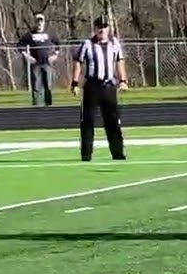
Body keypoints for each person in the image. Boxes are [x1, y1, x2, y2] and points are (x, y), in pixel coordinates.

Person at [71, 16, 127, 162]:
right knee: (88, 121)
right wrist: (75, 83)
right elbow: (78, 62)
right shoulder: (87, 44)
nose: (102, 30)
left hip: (108, 85)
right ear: (95, 28)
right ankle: (86, 154)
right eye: (99, 27)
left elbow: (119, 62)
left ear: (108, 28)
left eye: (104, 27)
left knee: (113, 120)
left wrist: (123, 80)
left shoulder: (114, 43)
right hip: (92, 86)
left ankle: (118, 153)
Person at [18, 13, 60, 107]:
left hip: (47, 63)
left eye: (41, 21)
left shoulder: (50, 33)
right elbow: (20, 45)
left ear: (44, 22)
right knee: (36, 86)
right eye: (37, 21)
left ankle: (48, 105)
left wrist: (55, 55)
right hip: (36, 64)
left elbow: (58, 43)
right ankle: (37, 106)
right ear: (35, 22)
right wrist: (27, 56)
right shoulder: (30, 35)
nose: (39, 23)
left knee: (48, 85)